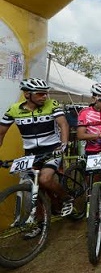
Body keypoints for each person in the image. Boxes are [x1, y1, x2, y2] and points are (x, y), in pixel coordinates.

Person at [0, 78, 73, 226]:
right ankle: (41, 224)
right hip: (31, 153)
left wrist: (63, 145)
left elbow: (63, 124)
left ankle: (66, 198)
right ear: (27, 94)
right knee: (36, 189)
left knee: (45, 179)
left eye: (46, 93)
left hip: (52, 149)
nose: (45, 96)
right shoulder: (14, 109)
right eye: (40, 94)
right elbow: (1, 133)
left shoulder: (51, 105)